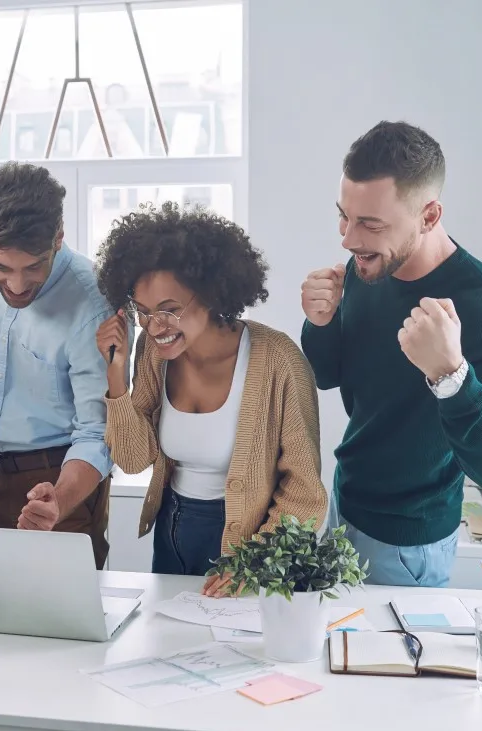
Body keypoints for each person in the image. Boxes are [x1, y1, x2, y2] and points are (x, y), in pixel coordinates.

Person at [300, 120, 482, 588]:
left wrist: (450, 375)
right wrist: (320, 325)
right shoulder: (368, 265)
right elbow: (329, 376)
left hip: (408, 543)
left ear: (428, 216)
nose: (348, 238)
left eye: (369, 223)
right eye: (344, 215)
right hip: (344, 507)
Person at [95, 203, 327, 593]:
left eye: (169, 310)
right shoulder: (152, 353)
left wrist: (253, 564)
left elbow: (305, 493)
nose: (155, 327)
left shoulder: (278, 360)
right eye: (144, 311)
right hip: (171, 532)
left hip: (247, 543)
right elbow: (133, 460)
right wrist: (116, 378)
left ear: (211, 293)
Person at [0, 162, 116, 569]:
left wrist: (58, 501)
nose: (15, 285)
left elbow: (96, 431)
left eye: (33, 267)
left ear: (59, 237)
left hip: (63, 484)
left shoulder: (91, 301)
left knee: (64, 625)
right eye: (0, 268)